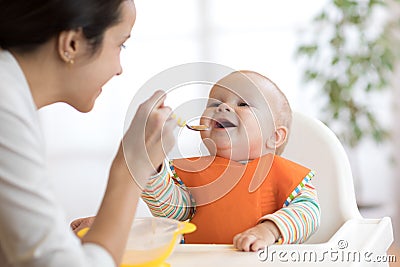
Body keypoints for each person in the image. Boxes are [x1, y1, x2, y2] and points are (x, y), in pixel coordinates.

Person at [0, 0, 176, 266]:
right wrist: (131, 166)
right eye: (121, 44)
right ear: (72, 44)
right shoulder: (6, 106)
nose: (120, 69)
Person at [141, 70, 321, 252]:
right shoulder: (199, 174)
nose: (223, 107)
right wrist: (151, 166)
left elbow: (309, 213)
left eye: (243, 104)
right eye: (214, 103)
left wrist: (268, 230)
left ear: (274, 137)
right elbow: (171, 212)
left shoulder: (281, 174)